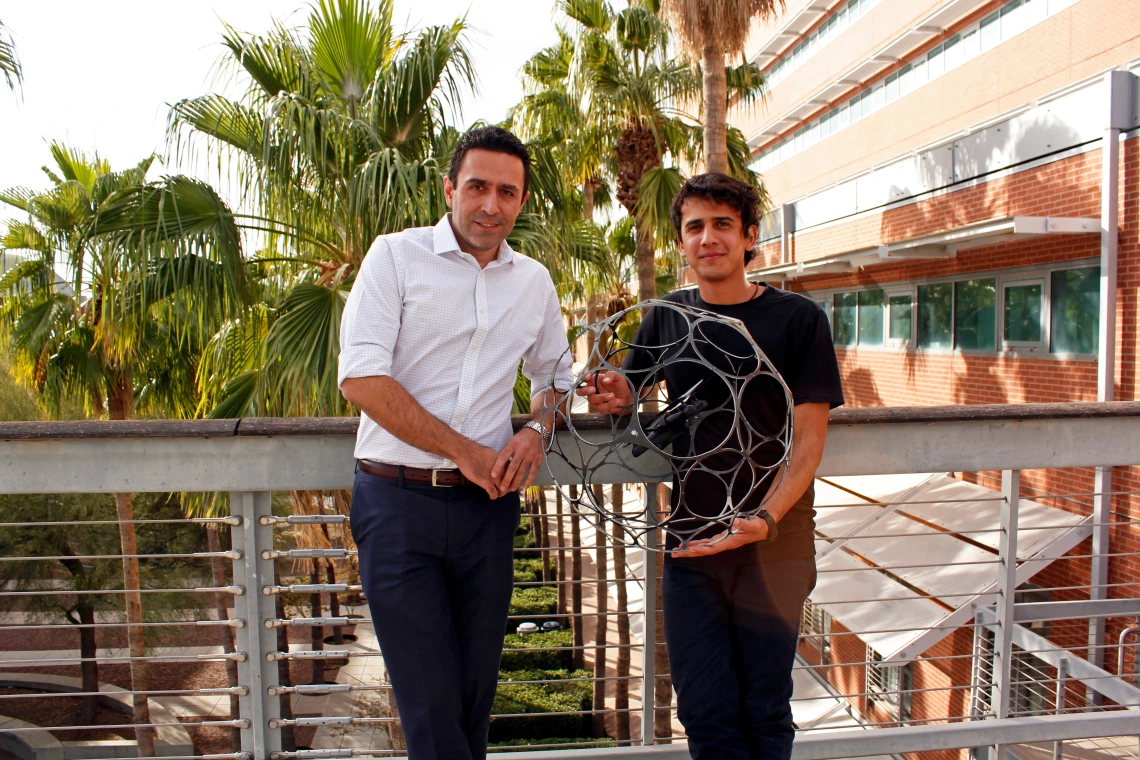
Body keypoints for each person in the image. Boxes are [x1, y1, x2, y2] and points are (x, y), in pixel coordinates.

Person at [577, 172, 844, 759]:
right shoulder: (670, 315)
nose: (708, 238)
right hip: (693, 542)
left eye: (723, 224)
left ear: (750, 237)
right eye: (694, 227)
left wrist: (768, 519)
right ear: (680, 243)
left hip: (775, 544)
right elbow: (630, 383)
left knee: (763, 711)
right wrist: (612, 388)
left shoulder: (799, 320)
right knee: (704, 714)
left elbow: (809, 442)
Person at [338, 126, 573, 760]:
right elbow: (361, 378)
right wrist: (465, 451)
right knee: (432, 709)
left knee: (472, 703)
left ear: (521, 201)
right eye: (477, 187)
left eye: (507, 191)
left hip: (487, 512)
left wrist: (538, 431)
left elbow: (557, 378)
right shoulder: (394, 256)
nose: (490, 205)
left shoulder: (534, 282)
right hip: (396, 505)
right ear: (449, 189)